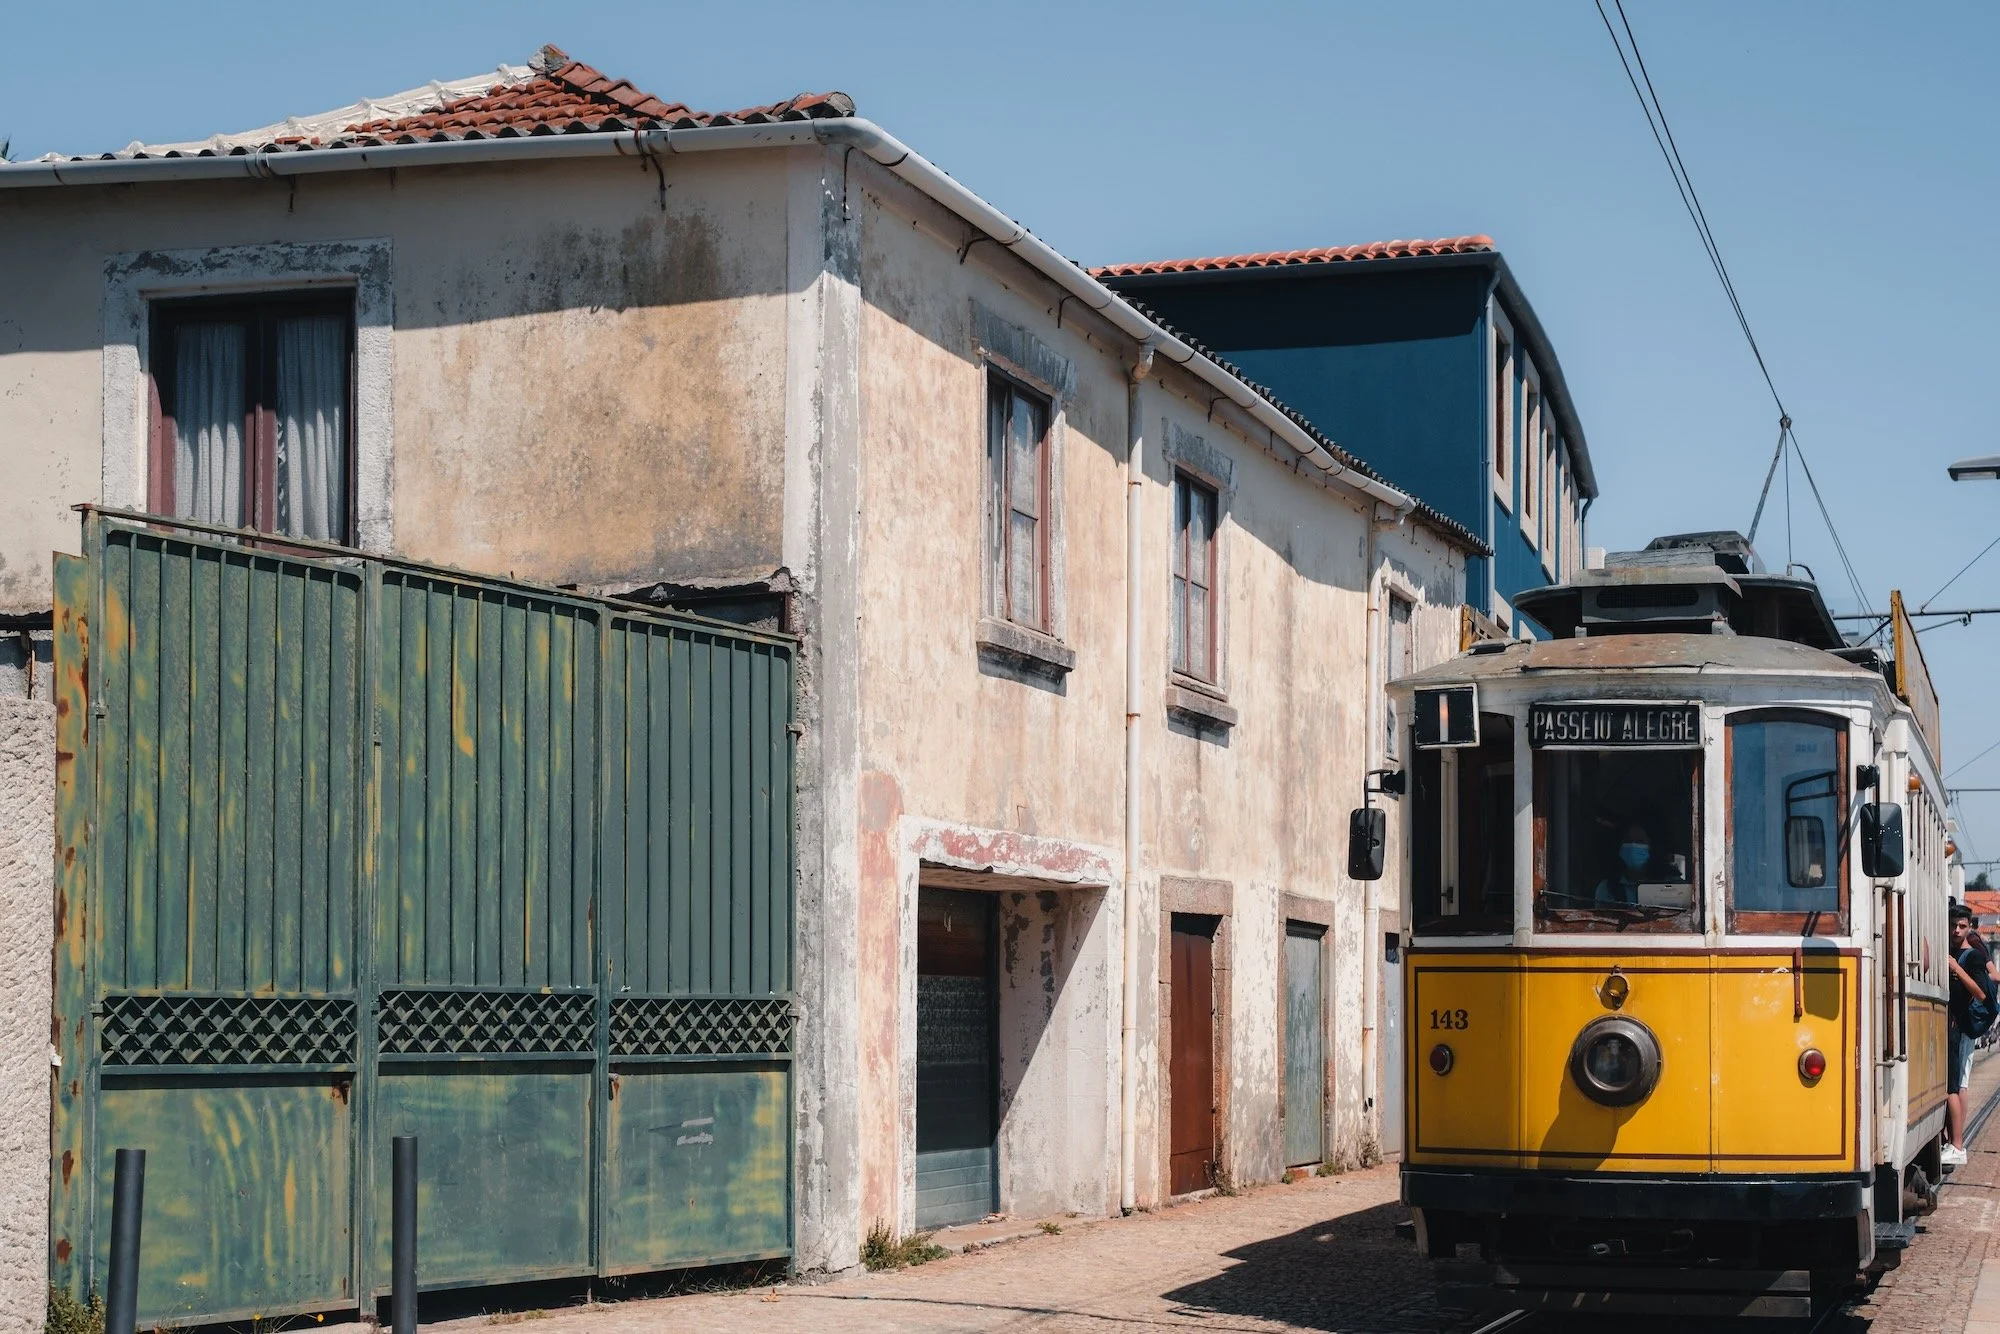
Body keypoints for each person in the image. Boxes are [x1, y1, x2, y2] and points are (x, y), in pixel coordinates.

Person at [1944, 903, 1992, 1166]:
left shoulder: (1971, 957)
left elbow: (1981, 993)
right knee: (1953, 1082)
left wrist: (1956, 969)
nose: (1956, 930)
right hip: (1950, 1026)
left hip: (1963, 1027)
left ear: (1970, 928)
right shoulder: (1949, 950)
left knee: (1959, 1083)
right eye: (1953, 925)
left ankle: (1958, 1144)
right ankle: (1953, 1141)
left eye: (1962, 926)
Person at [1595, 824, 1652, 905]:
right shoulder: (1606, 888)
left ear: (1650, 845)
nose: (1633, 845)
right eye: (1628, 841)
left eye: (1640, 841)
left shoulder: (1667, 885)